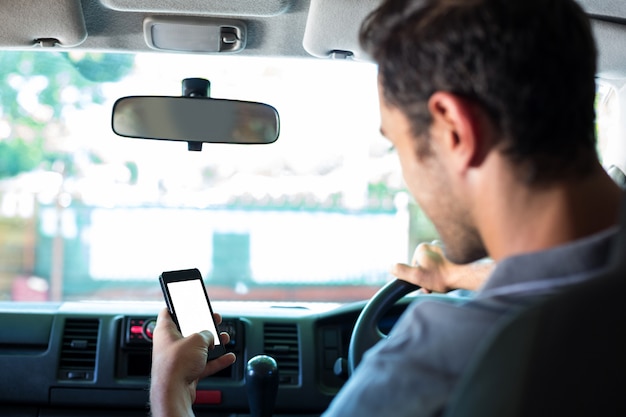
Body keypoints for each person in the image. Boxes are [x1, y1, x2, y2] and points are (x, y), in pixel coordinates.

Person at [149, 0, 625, 416]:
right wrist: (458, 277)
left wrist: (170, 396)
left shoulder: (438, 359)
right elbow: (562, 273)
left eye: (400, 145)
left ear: (454, 132)